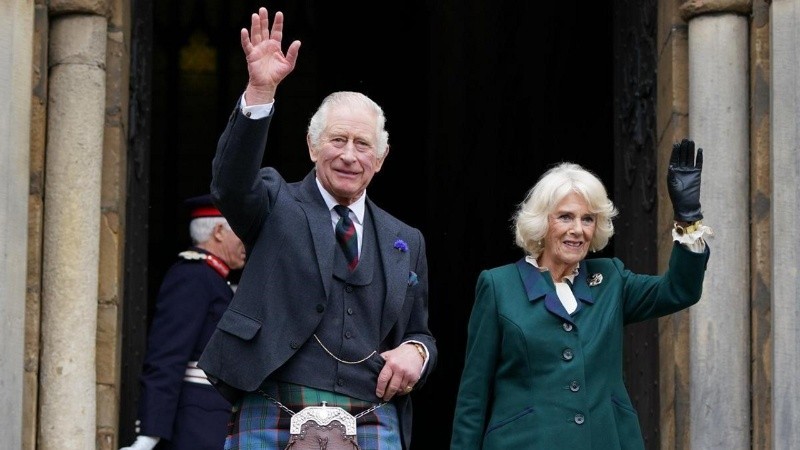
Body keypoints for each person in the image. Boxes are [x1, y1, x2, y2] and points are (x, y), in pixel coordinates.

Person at [196, 6, 437, 450]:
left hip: (369, 412)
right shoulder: (273, 201)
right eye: (337, 140)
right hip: (275, 401)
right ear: (312, 146)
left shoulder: (406, 240)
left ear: (380, 160)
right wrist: (260, 91)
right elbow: (229, 184)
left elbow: (417, 330)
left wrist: (418, 352)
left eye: (363, 144)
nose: (349, 155)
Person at [450, 139, 712, 450]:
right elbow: (473, 396)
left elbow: (679, 290)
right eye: (565, 217)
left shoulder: (611, 279)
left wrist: (688, 217)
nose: (578, 229)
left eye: (587, 219)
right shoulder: (498, 286)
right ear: (542, 222)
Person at [120, 195, 246, 450]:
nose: (247, 241)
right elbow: (167, 356)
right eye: (241, 232)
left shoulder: (214, 280)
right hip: (195, 427)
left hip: (213, 423)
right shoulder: (191, 276)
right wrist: (149, 434)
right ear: (219, 232)